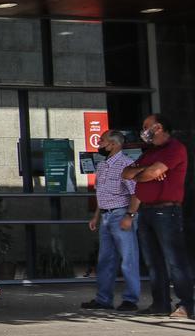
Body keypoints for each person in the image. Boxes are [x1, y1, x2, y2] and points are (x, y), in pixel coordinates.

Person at [122, 114, 193, 318]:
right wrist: (145, 170)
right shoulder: (150, 152)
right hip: (146, 211)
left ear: (158, 127)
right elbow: (126, 173)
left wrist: (144, 173)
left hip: (166, 211)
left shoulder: (175, 149)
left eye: (146, 127)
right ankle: (160, 303)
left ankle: (188, 304)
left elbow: (152, 174)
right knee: (153, 261)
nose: (143, 131)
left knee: (175, 260)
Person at [82, 130, 141, 311]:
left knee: (128, 258)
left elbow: (135, 193)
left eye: (102, 141)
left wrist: (129, 216)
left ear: (114, 144)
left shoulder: (126, 165)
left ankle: (130, 299)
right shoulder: (102, 165)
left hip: (121, 214)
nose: (99, 144)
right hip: (106, 216)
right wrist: (96, 216)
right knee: (105, 259)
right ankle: (103, 299)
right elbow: (101, 192)